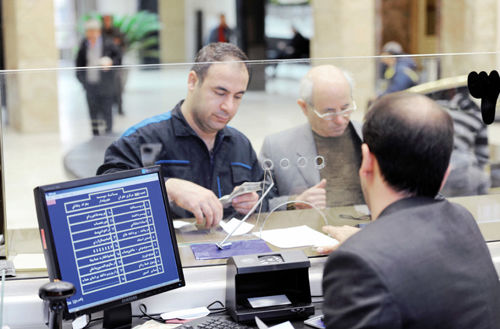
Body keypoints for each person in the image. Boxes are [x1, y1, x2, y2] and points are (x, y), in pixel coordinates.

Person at [321, 92, 500, 328]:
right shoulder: (462, 219)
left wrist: (367, 247)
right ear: (446, 170)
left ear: (366, 161)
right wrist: (370, 243)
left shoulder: (356, 262)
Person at [97, 42, 263, 228]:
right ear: (193, 81)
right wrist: (167, 187)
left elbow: (266, 196)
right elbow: (105, 193)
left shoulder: (240, 145)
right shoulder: (143, 139)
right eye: (220, 92)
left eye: (238, 96)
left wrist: (253, 203)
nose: (229, 107)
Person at [259, 65, 363, 210]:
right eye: (328, 112)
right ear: (304, 108)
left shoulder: (371, 138)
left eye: (345, 108)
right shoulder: (277, 147)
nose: (340, 120)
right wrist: (294, 202)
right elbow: (259, 205)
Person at [434, 87, 491, 196]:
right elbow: (483, 157)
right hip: (463, 174)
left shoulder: (435, 107)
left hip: (435, 171)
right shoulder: (477, 113)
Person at [76, 19, 122, 135]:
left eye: (93, 31)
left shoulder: (108, 43)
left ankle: (108, 133)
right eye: (89, 31)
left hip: (105, 84)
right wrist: (83, 82)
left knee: (107, 110)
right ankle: (95, 133)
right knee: (93, 111)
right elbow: (78, 65)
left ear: (98, 32)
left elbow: (119, 58)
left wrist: (111, 62)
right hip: (90, 84)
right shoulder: (83, 45)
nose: (91, 34)